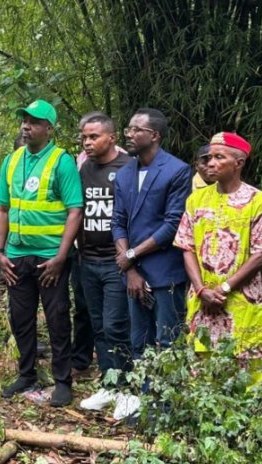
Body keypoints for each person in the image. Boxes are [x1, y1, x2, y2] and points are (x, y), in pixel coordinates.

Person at [0, 99, 84, 407]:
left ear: (48, 128)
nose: (26, 126)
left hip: (50, 258)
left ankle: (62, 380)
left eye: (33, 121)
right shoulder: (12, 159)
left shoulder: (62, 161)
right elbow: (2, 209)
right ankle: (27, 373)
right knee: (20, 318)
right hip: (16, 255)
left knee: (57, 317)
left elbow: (75, 211)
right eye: (24, 120)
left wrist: (61, 256)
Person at [111, 108, 191, 416]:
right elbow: (118, 221)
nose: (129, 134)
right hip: (133, 272)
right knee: (138, 340)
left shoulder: (177, 170)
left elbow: (172, 225)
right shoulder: (125, 173)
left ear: (154, 135)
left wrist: (131, 255)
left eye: (135, 130)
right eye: (128, 129)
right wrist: (129, 267)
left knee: (167, 340)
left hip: (165, 271)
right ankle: (144, 404)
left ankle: (167, 407)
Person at [174, 132, 262, 354]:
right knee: (201, 369)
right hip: (202, 300)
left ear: (238, 163)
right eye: (209, 158)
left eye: (219, 157)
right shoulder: (196, 200)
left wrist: (224, 288)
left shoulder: (257, 200)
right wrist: (201, 290)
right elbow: (186, 247)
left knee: (243, 371)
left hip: (240, 300)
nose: (211, 163)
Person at [74, 113, 134, 416]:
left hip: (116, 262)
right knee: (98, 326)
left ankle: (126, 388)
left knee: (116, 326)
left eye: (94, 136)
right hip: (88, 260)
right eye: (84, 137)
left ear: (112, 138)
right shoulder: (84, 168)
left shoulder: (127, 168)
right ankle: (108, 386)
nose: (88, 142)